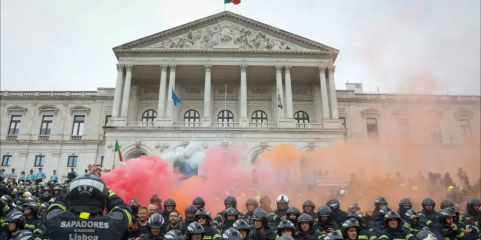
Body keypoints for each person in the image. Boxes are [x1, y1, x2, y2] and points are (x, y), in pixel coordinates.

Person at [40, 163, 132, 240]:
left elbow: (59, 202)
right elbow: (121, 207)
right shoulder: (114, 223)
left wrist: (78, 184)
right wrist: (99, 185)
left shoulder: (54, 219)